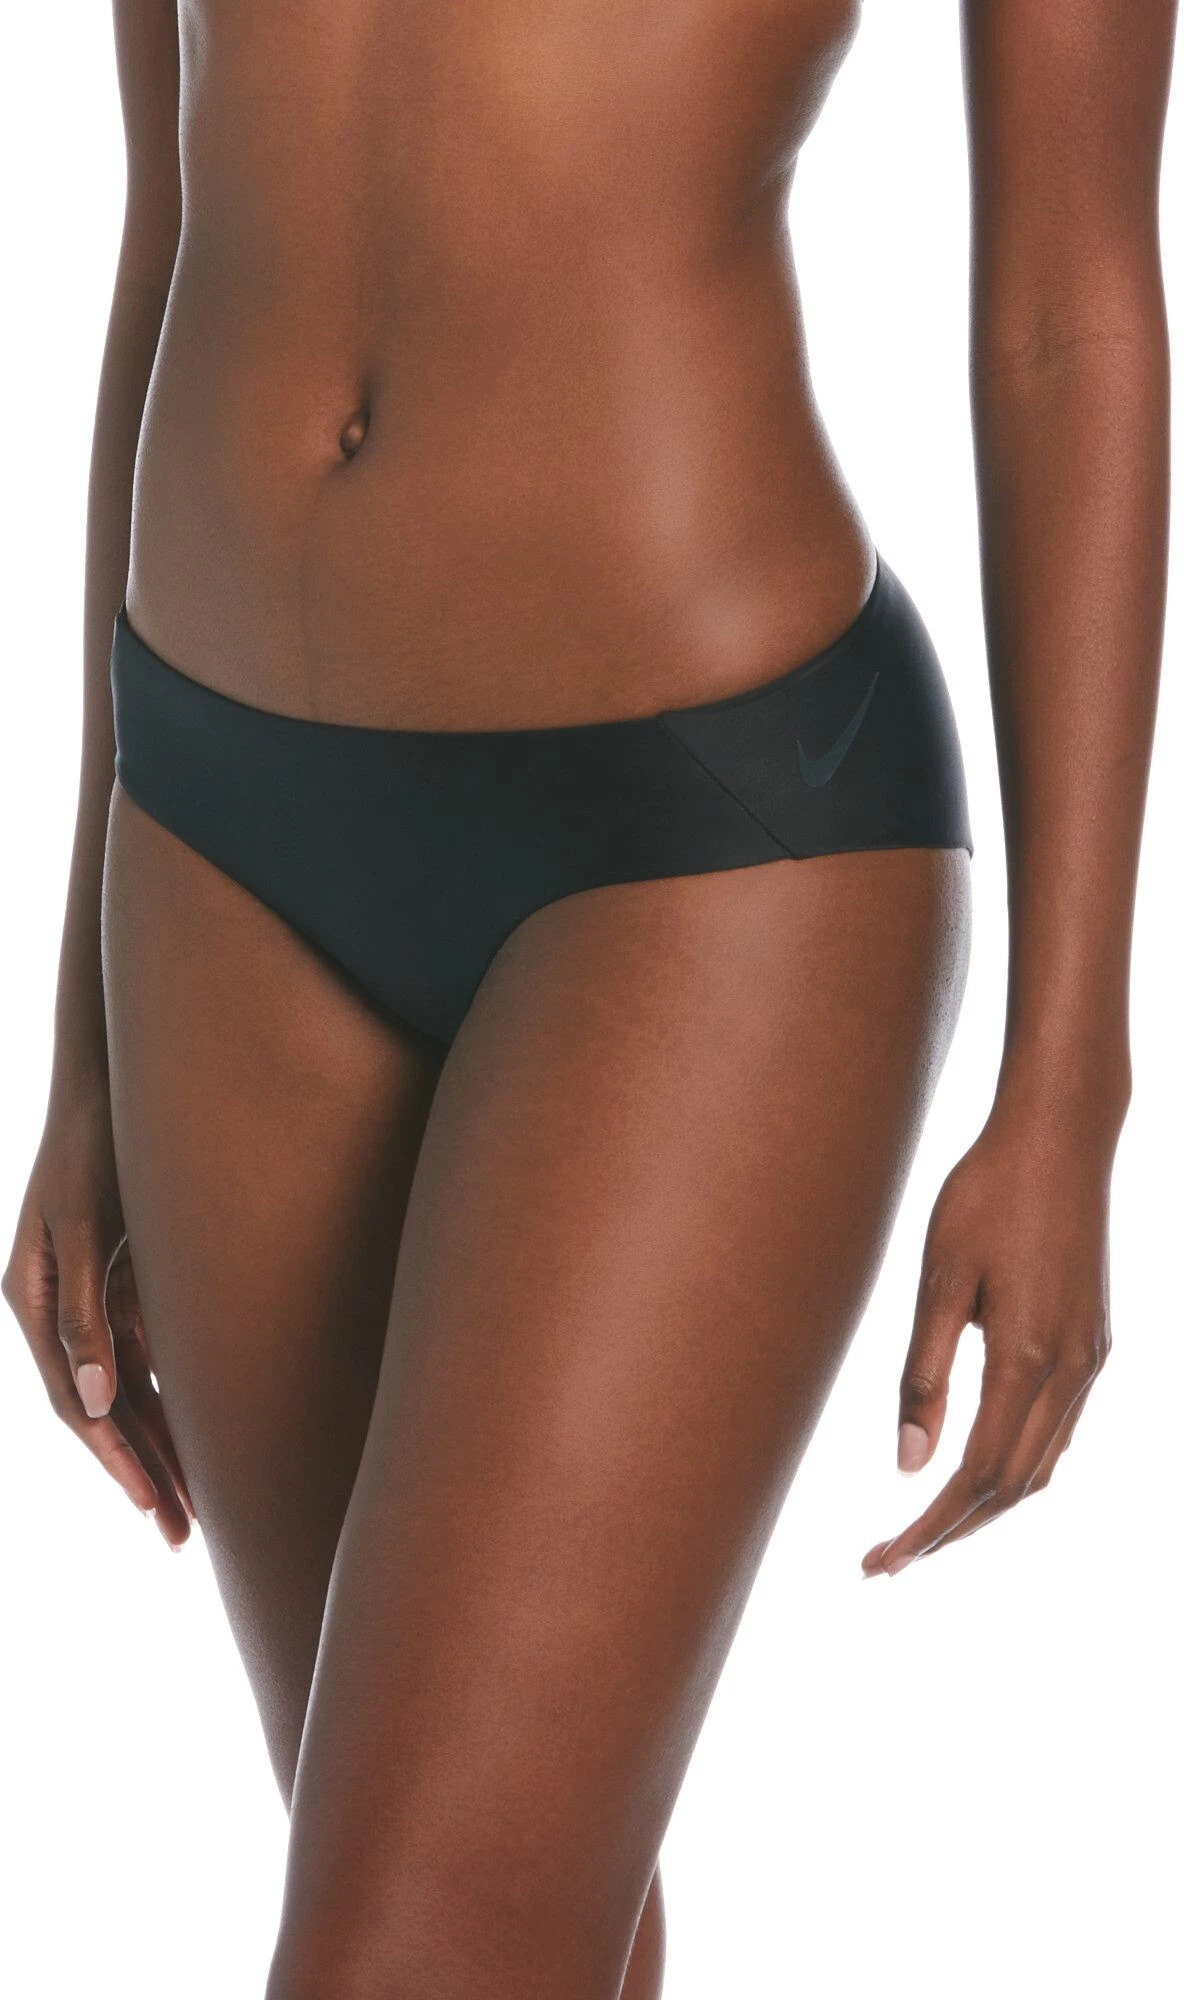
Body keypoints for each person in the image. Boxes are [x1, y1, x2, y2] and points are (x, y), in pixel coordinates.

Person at [3, 4, 1175, 1994]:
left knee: (409, 1946)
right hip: (210, 841)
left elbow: (1070, 309)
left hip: (701, 836)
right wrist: (78, 1036)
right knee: (518, 1916)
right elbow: (169, 215)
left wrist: (1071, 1084)